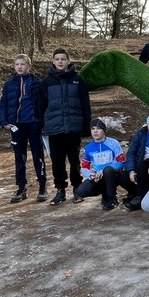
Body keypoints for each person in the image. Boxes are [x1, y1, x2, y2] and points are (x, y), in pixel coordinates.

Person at [38, 48, 91, 205]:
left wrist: (86, 125)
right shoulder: (46, 82)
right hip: (54, 129)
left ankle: (77, 188)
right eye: (57, 59)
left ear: (68, 61)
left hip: (73, 128)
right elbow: (41, 106)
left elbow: (85, 104)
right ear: (53, 61)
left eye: (63, 59)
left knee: (74, 160)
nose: (60, 62)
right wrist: (42, 125)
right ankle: (60, 190)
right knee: (57, 162)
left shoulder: (78, 80)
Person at [0, 53, 47, 203]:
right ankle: (21, 188)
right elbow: (3, 104)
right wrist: (4, 121)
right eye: (17, 64)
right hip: (16, 126)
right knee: (19, 158)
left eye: (23, 64)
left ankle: (42, 187)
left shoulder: (37, 82)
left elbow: (43, 104)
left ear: (29, 66)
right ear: (14, 66)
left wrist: (41, 122)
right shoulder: (8, 84)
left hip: (33, 124)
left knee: (38, 156)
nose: (20, 67)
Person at [74, 118, 135, 211]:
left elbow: (121, 162)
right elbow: (84, 167)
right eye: (93, 129)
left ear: (104, 130)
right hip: (99, 176)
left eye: (98, 128)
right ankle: (105, 194)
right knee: (81, 191)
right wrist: (91, 175)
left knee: (108, 170)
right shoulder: (88, 147)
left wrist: (105, 169)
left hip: (114, 173)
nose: (95, 131)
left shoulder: (113, 143)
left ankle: (112, 198)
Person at [123, 114, 149, 210]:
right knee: (123, 177)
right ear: (146, 124)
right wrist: (131, 170)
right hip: (140, 162)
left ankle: (141, 197)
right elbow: (131, 152)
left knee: (142, 166)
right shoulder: (141, 134)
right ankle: (134, 193)